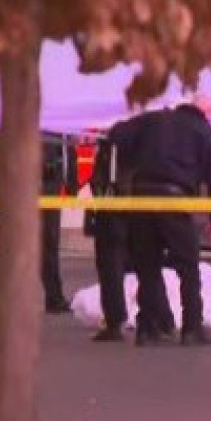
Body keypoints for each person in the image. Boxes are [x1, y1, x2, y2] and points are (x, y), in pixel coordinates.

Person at [112, 97, 211, 346]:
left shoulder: (153, 120)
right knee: (188, 268)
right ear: (205, 113)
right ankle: (192, 328)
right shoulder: (205, 132)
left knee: (147, 266)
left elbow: (117, 134)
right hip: (175, 200)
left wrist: (138, 155)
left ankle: (146, 329)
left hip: (142, 197)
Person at [86, 135, 130, 341]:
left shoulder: (113, 140)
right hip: (136, 207)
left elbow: (101, 179)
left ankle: (115, 320)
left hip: (113, 208)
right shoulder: (144, 136)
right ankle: (157, 320)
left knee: (110, 265)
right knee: (147, 265)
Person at [41, 134, 78, 313]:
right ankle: (53, 296)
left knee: (50, 244)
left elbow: (69, 153)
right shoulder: (43, 126)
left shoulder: (63, 128)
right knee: (43, 244)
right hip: (40, 186)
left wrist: (72, 186)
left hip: (53, 187)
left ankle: (54, 296)